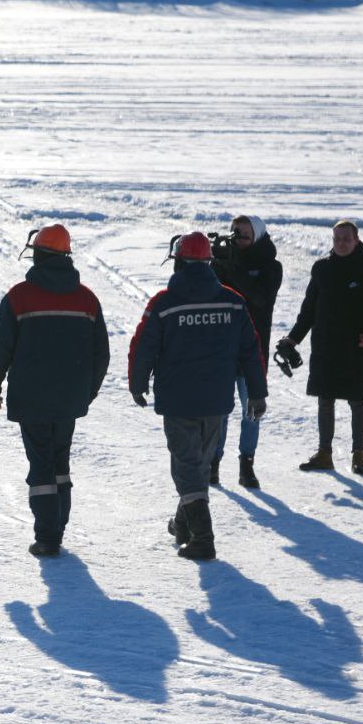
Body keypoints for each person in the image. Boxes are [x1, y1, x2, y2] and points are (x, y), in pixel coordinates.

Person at [128, 232, 267, 561]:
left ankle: (203, 539)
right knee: (198, 464)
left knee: (187, 467)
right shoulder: (232, 302)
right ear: (208, 263)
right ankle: (183, 525)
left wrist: (137, 383)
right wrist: (257, 392)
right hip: (216, 400)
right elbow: (251, 350)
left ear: (177, 261)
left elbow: (143, 346)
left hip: (179, 400)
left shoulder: (164, 303)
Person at [0, 224, 110, 558]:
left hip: (32, 399)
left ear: (37, 254)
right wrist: (86, 393)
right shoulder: (86, 299)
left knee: (41, 466)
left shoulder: (19, 297)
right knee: (60, 461)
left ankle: (48, 537)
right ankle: (57, 527)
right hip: (69, 400)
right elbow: (101, 355)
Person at [280, 220, 363, 474]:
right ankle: (324, 454)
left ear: (357, 240)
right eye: (337, 239)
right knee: (325, 400)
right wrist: (293, 339)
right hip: (325, 347)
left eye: (346, 239)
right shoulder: (322, 269)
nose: (341, 243)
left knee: (357, 402)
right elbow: (308, 311)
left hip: (356, 347)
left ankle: (358, 455)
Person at [210, 215, 282, 488]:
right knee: (220, 408)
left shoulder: (271, 267)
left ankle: (246, 464)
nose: (238, 238)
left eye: (244, 233)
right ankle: (213, 462)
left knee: (252, 410)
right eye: (234, 232)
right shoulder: (222, 262)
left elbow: (260, 297)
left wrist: (233, 269)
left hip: (254, 349)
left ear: (258, 235)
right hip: (222, 347)